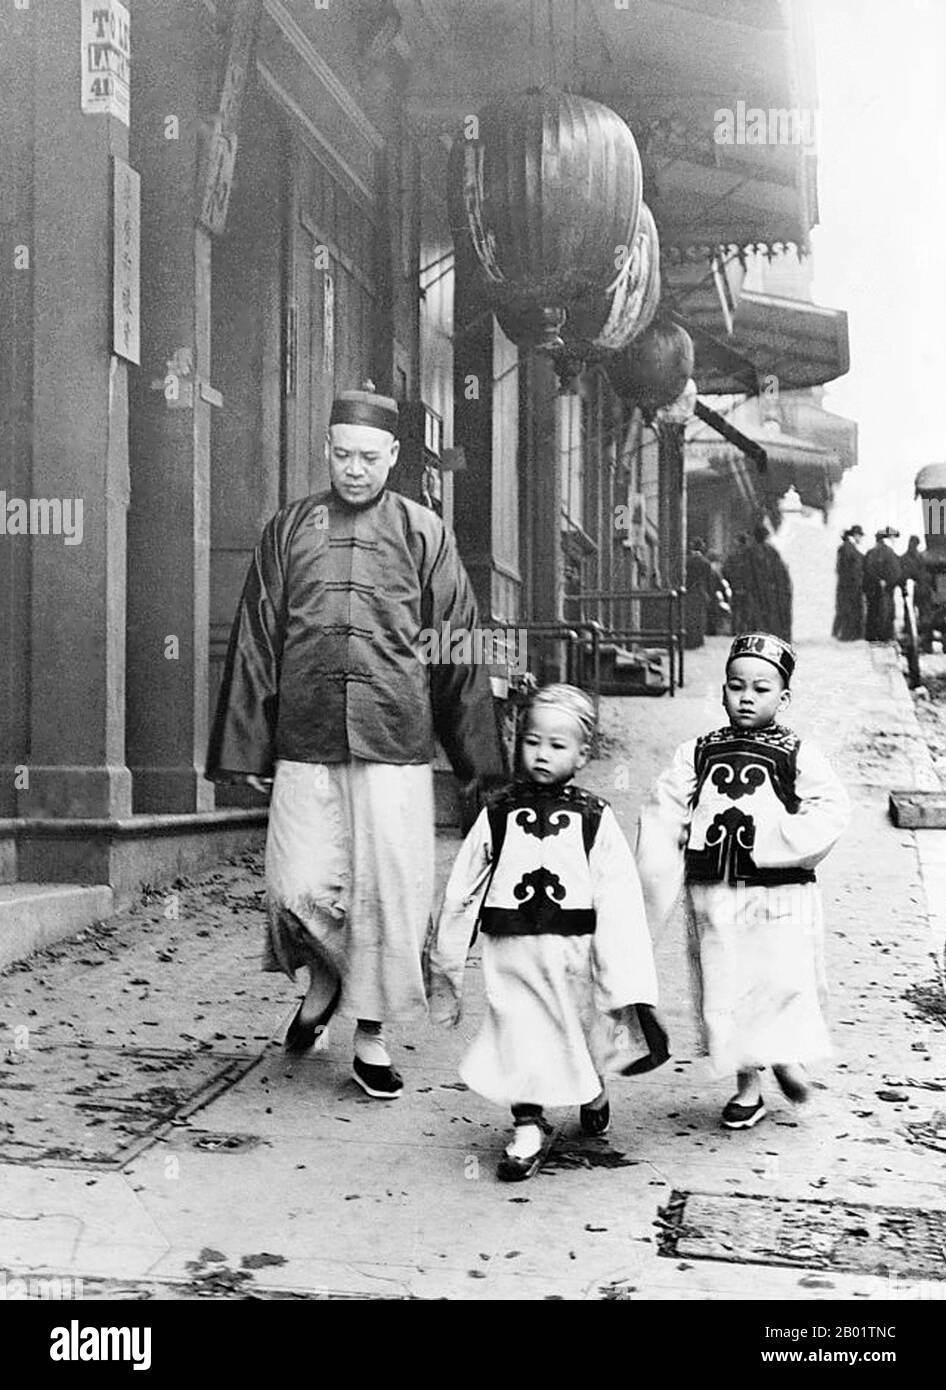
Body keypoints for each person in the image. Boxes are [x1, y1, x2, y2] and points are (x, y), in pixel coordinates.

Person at [206, 385, 505, 1100]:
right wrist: (244, 749)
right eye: (342, 455)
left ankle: (369, 1033)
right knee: (296, 886)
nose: (355, 470)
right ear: (329, 451)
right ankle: (327, 977)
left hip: (394, 744)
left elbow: (457, 646)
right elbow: (255, 640)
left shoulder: (424, 532)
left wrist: (480, 767)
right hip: (306, 741)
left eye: (369, 457)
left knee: (387, 895)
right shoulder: (289, 528)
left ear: (394, 456)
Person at [425, 684, 669, 1181]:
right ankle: (528, 1123)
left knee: (577, 1025)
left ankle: (591, 1083)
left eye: (558, 746)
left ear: (582, 754)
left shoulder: (593, 819)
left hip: (571, 949)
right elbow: (463, 885)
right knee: (519, 1030)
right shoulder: (498, 812)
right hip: (509, 947)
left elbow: (619, 896)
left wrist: (622, 968)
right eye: (533, 741)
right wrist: (447, 950)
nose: (542, 754)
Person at [635, 633, 849, 1131]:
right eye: (736, 686)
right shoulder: (700, 751)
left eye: (760, 688)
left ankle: (785, 1056)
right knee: (726, 985)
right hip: (717, 891)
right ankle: (748, 1085)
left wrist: (780, 844)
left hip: (779, 894)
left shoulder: (797, 753)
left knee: (779, 979)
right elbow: (666, 807)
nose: (746, 697)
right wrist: (662, 863)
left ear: (783, 697)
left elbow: (832, 807)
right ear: (724, 691)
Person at [741, 524, 793, 641]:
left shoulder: (749, 552)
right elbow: (780, 573)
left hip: (756, 590)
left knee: (756, 616)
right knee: (769, 616)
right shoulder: (771, 551)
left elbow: (746, 573)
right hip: (769, 590)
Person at [862, 527, 901, 642]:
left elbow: (867, 569)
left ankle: (872, 635)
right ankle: (884, 636)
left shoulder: (871, 552)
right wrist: (886, 581)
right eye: (893, 537)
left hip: (874, 588)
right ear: (887, 538)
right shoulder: (887, 552)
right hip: (885, 589)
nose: (894, 540)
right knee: (885, 611)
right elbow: (894, 571)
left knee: (873, 611)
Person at [684, 537, 720, 650]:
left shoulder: (687, 561)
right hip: (701, 591)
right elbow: (709, 581)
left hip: (689, 591)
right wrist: (709, 594)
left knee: (690, 615)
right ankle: (699, 640)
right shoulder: (706, 563)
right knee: (700, 616)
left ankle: (690, 640)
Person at [831, 525, 865, 641]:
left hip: (846, 586)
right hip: (849, 586)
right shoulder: (848, 548)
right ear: (855, 535)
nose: (861, 539)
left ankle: (842, 634)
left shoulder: (847, 548)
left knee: (845, 609)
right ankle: (846, 635)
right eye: (860, 536)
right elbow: (848, 569)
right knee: (848, 609)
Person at [898, 534, 933, 643]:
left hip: (910, 590)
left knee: (909, 613)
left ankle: (911, 638)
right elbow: (926, 574)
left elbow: (902, 575)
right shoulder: (922, 557)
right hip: (923, 589)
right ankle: (927, 642)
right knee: (925, 614)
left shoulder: (903, 558)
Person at [723, 533, 751, 633]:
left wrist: (731, 581)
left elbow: (725, 570)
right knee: (746, 609)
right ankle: (744, 629)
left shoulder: (732, 555)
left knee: (736, 608)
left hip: (736, 585)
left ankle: (735, 629)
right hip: (747, 587)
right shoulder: (750, 555)